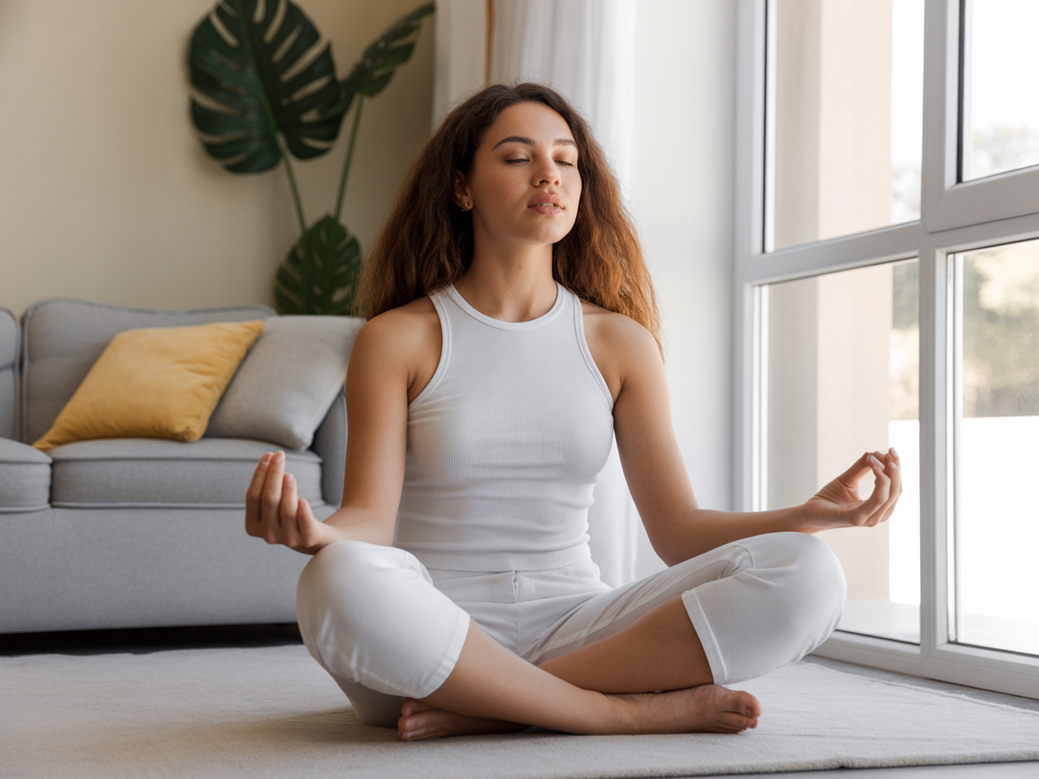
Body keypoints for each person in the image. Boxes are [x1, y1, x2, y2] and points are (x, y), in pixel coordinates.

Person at [244, 83, 902, 742]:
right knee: (335, 578)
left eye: (565, 160)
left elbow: (675, 529)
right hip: (431, 632)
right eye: (515, 157)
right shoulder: (398, 337)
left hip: (578, 621)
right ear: (462, 187)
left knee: (807, 570)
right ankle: (611, 710)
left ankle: (494, 705)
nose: (547, 175)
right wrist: (315, 533)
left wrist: (809, 515)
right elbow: (367, 519)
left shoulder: (619, 343)